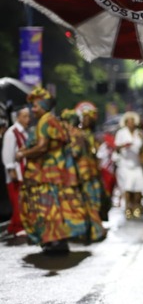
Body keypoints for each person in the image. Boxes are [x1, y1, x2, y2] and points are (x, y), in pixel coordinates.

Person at [15, 87, 89, 254]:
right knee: (56, 205)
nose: (33, 110)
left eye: (35, 106)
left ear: (42, 106)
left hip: (45, 174)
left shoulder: (45, 121)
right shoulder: (53, 120)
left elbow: (41, 147)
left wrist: (22, 153)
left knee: (46, 207)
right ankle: (55, 240)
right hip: (57, 173)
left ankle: (54, 241)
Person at [61, 108, 106, 242]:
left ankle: (92, 231)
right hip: (86, 173)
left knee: (84, 203)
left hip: (81, 174)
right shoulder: (80, 134)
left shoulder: (75, 135)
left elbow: (75, 153)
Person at [114, 111, 143, 219]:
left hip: (136, 164)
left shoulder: (139, 133)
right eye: (129, 122)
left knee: (138, 187)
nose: (131, 124)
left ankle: (136, 208)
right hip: (125, 163)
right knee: (127, 187)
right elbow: (116, 148)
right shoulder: (121, 133)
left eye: (132, 121)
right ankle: (127, 208)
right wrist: (123, 146)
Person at [2, 106, 30, 241]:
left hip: (23, 172)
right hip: (15, 173)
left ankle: (14, 226)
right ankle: (18, 227)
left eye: (28, 116)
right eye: (25, 116)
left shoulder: (24, 132)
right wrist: (11, 168)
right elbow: (7, 154)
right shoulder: (11, 133)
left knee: (22, 200)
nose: (28, 119)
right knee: (17, 200)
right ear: (18, 117)